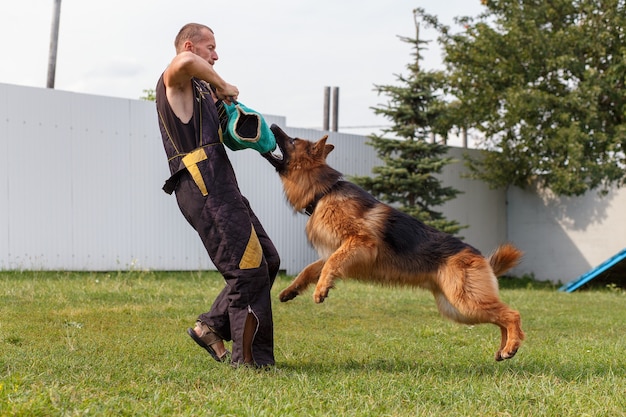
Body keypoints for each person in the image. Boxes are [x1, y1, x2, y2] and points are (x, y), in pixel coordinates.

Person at [155, 23, 280, 367]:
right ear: (191, 46)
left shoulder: (199, 90)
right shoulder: (178, 77)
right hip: (204, 186)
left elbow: (228, 134)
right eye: (210, 47)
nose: (216, 54)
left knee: (267, 260)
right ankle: (251, 364)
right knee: (247, 271)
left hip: (221, 185)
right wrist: (221, 82)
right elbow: (182, 63)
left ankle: (210, 327)